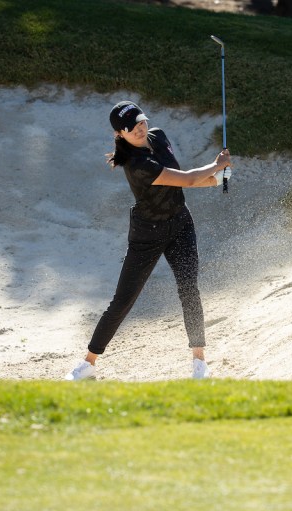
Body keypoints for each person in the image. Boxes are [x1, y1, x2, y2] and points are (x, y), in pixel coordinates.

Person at [65, 100, 231, 381]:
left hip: (180, 223)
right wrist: (217, 165)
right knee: (124, 299)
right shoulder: (136, 163)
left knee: (189, 288)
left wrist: (218, 179)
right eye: (131, 128)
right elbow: (189, 179)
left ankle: (199, 362)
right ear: (120, 134)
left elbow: (179, 183)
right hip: (147, 233)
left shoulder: (159, 137)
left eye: (140, 122)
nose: (139, 129)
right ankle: (88, 363)